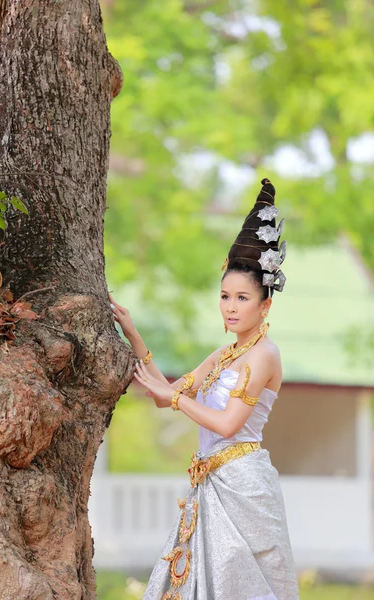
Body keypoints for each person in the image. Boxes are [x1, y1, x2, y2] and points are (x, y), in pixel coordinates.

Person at [109, 178, 300, 600]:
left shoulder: (265, 355)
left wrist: (175, 399)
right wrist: (134, 335)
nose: (230, 307)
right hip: (209, 483)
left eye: (242, 298)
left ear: (265, 304)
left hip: (244, 487)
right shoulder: (225, 352)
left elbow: (229, 424)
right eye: (225, 296)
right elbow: (166, 392)